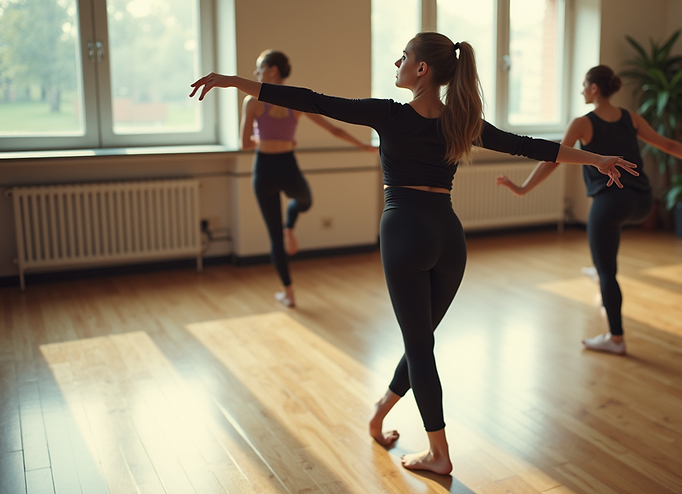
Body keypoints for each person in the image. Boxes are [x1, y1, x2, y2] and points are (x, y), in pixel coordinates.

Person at [190, 33, 638, 475]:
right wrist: (596, 160)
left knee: (420, 346)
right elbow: (528, 145)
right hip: (449, 237)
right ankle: (380, 412)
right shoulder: (460, 122)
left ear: (422, 69)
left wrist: (235, 82)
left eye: (403, 56)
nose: (397, 63)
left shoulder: (388, 114)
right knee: (420, 342)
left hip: (405, 232)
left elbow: (312, 100)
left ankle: (438, 453)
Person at [496, 65, 682, 355]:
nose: (582, 90)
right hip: (643, 202)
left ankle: (615, 338)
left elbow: (552, 159)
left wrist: (522, 188)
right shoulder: (631, 118)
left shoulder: (582, 123)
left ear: (594, 89)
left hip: (610, 203)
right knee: (606, 250)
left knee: (608, 271)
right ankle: (598, 268)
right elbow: (667, 144)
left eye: (584, 85)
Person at [241, 50, 376, 308]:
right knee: (275, 236)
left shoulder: (280, 101)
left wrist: (364, 146)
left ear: (273, 71)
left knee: (305, 201)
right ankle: (288, 291)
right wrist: (273, 140)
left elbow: (332, 128)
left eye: (260, 68)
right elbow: (245, 143)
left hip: (281, 165)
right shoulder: (259, 101)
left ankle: (289, 227)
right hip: (269, 169)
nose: (256, 74)